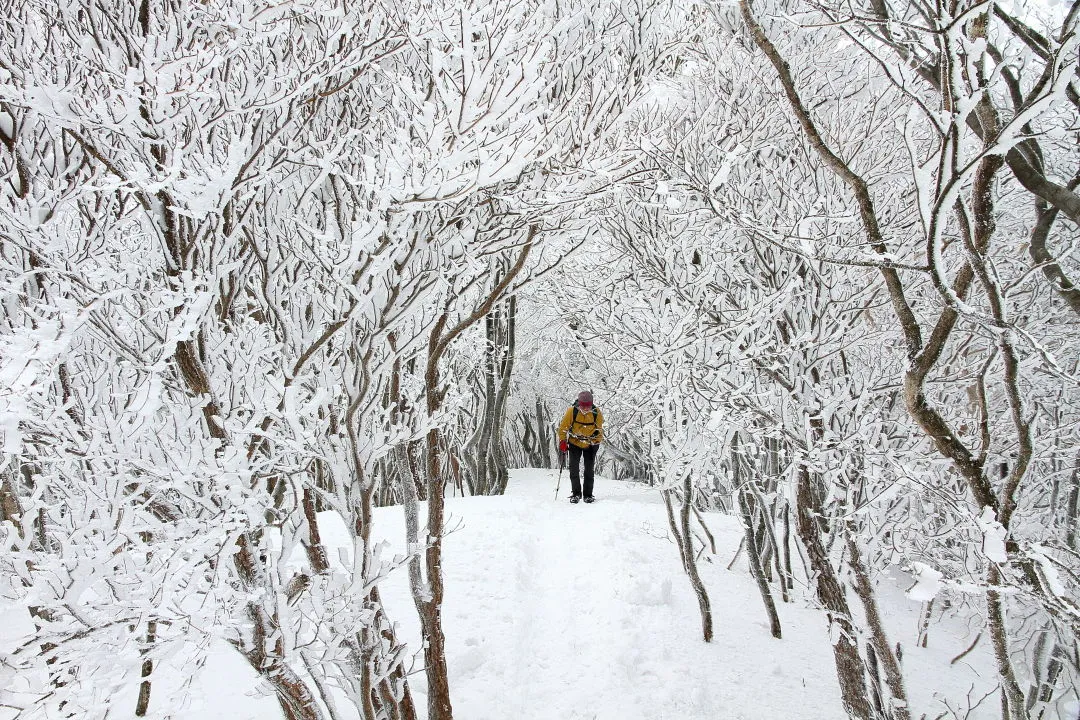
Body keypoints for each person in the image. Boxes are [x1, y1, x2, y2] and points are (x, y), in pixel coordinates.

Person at [557, 391, 604, 503]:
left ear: (591, 404)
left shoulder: (596, 412)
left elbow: (599, 430)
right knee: (574, 468)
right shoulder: (572, 411)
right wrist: (563, 441)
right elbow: (563, 428)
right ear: (579, 404)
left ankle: (588, 495)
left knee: (589, 469)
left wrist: (596, 442)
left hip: (590, 444)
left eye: (587, 407)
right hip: (575, 443)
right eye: (583, 406)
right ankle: (576, 494)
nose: (585, 409)